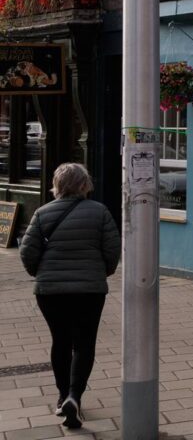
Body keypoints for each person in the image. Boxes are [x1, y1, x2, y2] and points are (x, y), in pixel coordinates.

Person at [19, 163, 120, 429]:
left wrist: (39, 273)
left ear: (57, 185)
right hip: (89, 290)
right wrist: (102, 272)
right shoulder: (100, 212)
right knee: (84, 344)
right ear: (85, 185)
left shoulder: (42, 214)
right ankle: (75, 396)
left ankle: (62, 396)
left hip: (50, 292)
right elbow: (112, 250)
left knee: (60, 341)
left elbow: (27, 252)